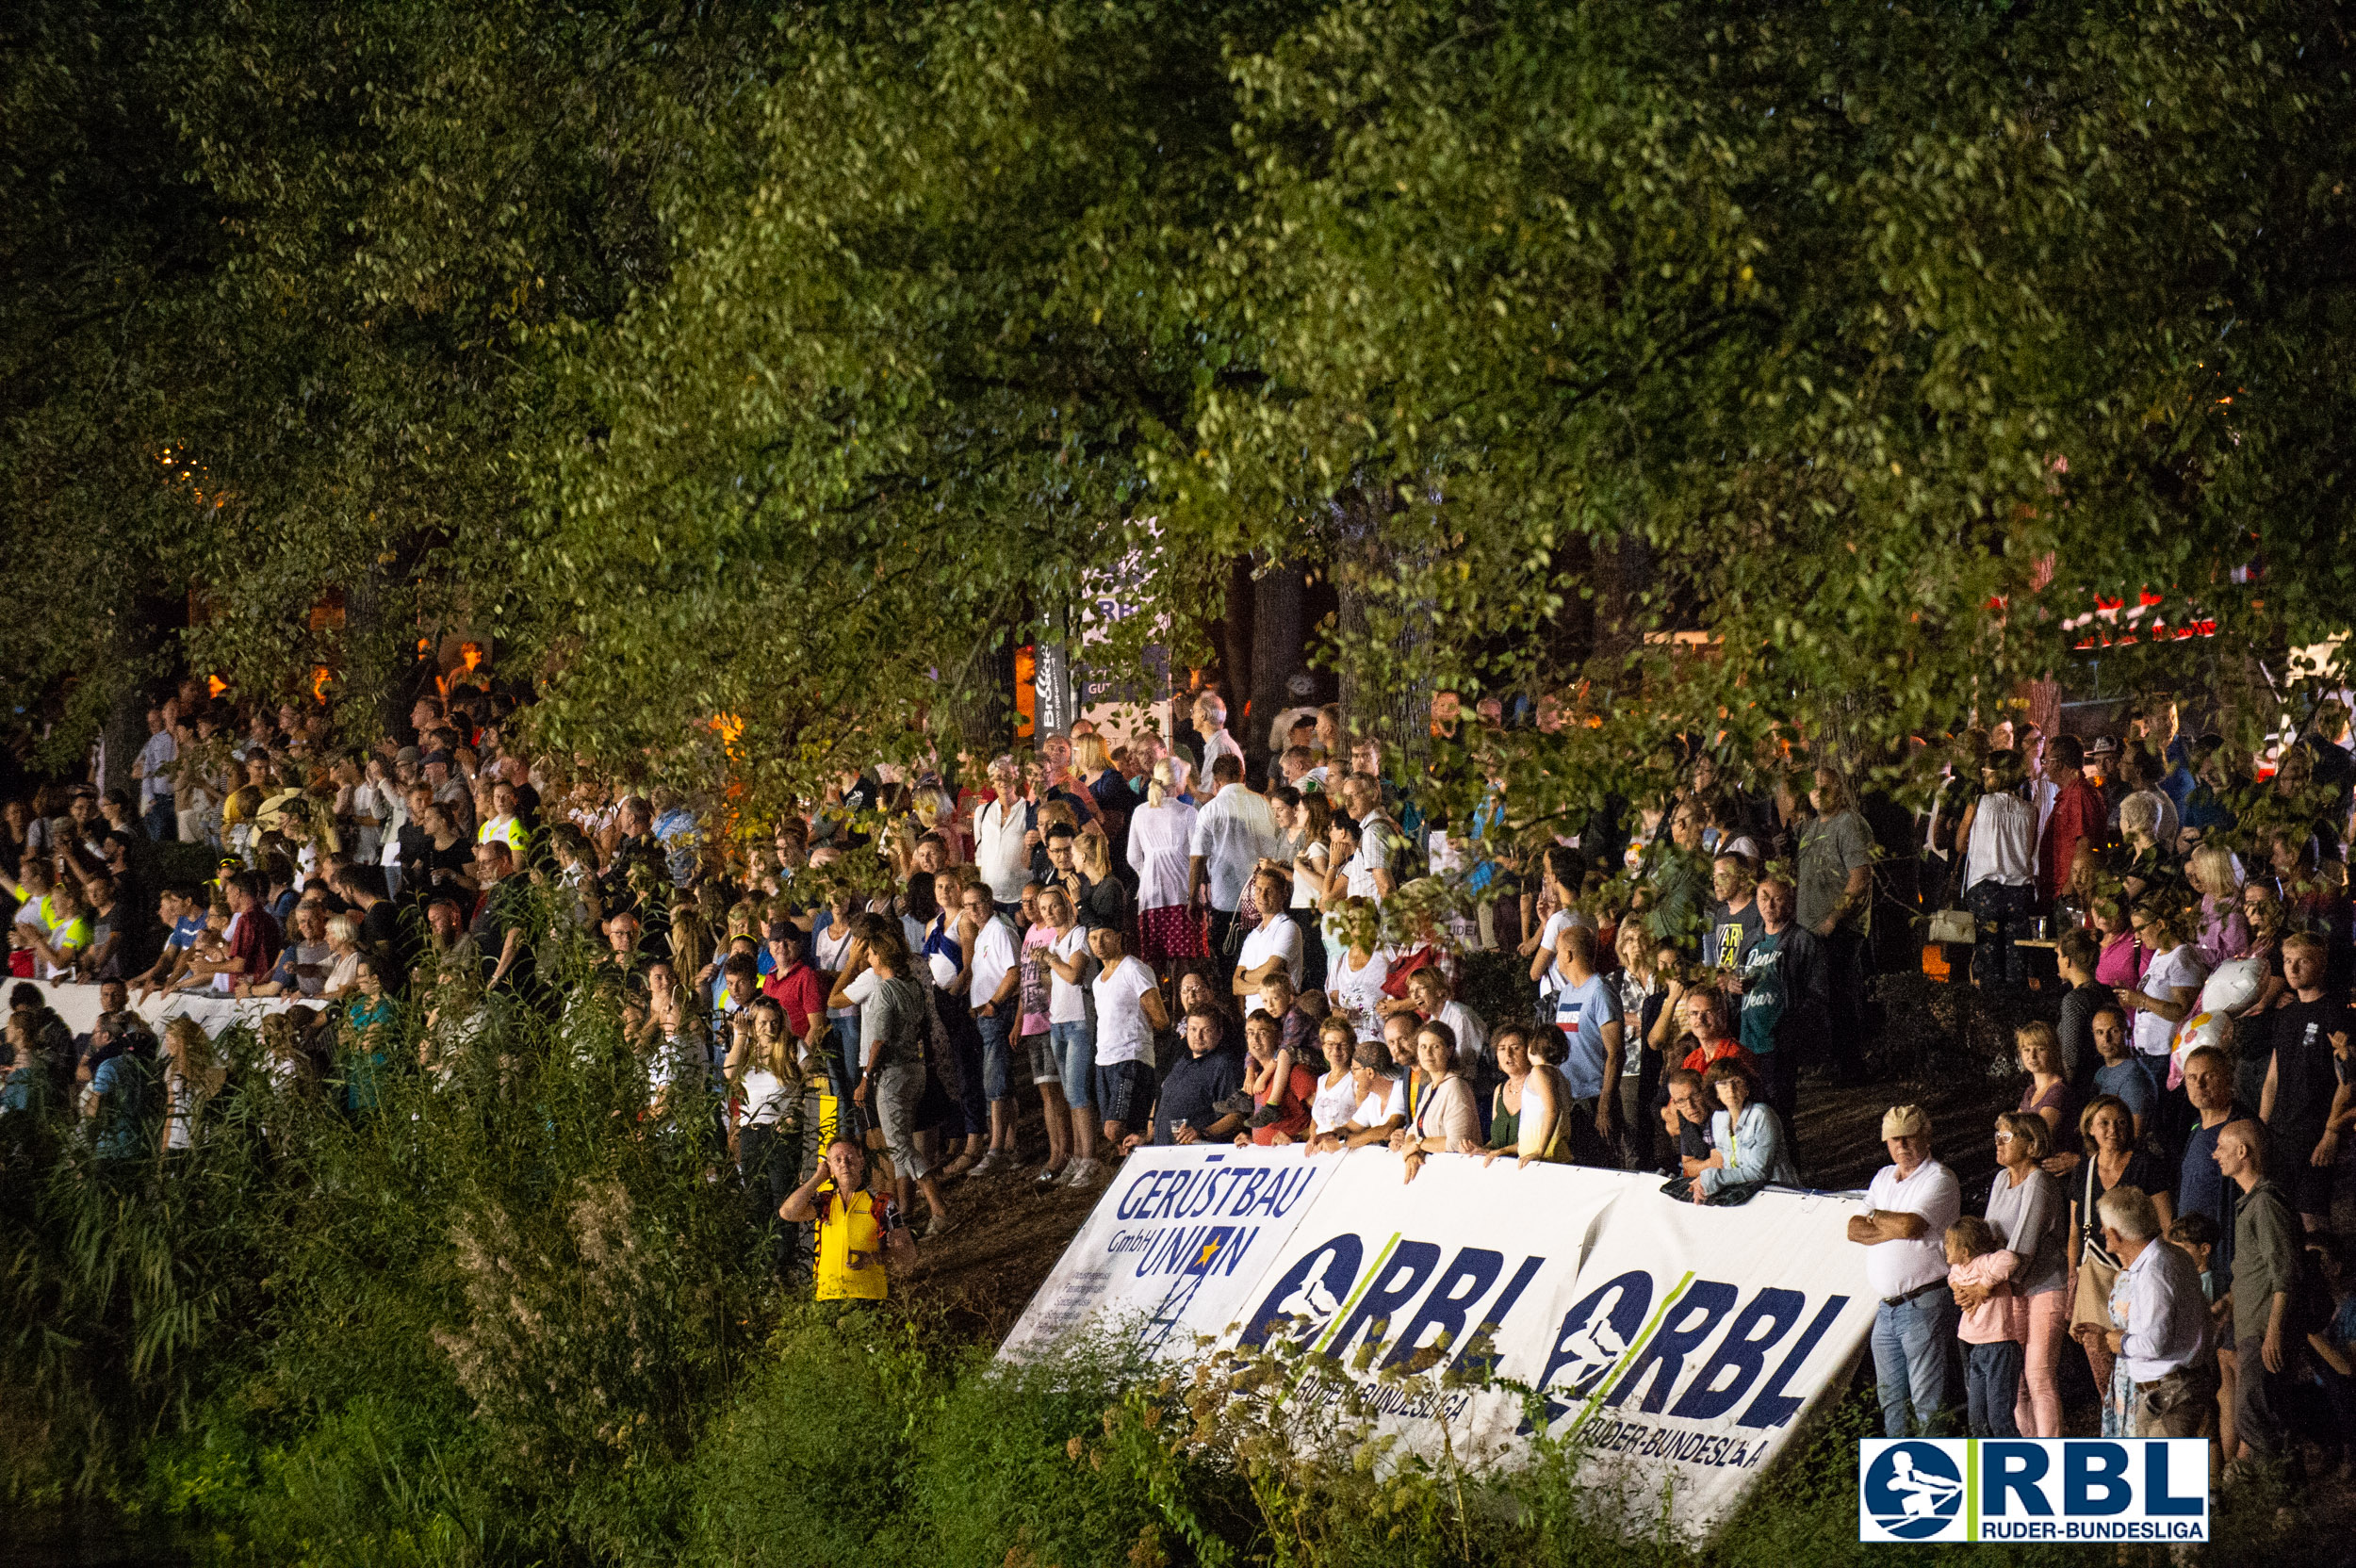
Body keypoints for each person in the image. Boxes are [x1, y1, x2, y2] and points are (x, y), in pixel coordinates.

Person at [832, 916, 958, 1237]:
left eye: (871, 954)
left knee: (900, 1146)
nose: (867, 959)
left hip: (890, 1075)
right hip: (914, 1068)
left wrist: (865, 1078)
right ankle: (906, 1212)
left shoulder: (885, 990)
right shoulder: (911, 984)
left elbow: (878, 1039)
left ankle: (939, 1208)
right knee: (901, 1143)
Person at [1851, 1103, 1962, 1437]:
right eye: (1893, 1139)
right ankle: (1899, 1475)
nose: (1901, 1146)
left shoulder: (1939, 1177)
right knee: (1891, 1401)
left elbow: (1913, 1225)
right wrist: (1890, 1223)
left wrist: (1875, 1218)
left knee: (1928, 1402)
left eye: (1908, 1137)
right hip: (1886, 1308)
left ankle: (1936, 1473)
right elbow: (1853, 1229)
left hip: (1924, 1301)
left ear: (1926, 1137)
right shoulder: (1884, 1176)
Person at [2215, 1119, 2303, 1465]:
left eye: (2222, 1147)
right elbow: (2254, 1272)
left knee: (2253, 1414)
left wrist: (2274, 1330)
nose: (2215, 1153)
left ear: (2242, 1151)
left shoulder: (2265, 1203)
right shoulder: (2250, 1204)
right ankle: (2282, 1497)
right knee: (2263, 1413)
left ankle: (2282, 1497)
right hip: (2253, 1326)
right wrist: (2226, 1305)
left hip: (2263, 1328)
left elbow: (2285, 1272)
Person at [2099, 1184, 2217, 1439]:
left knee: (2162, 1478)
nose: (2101, 1232)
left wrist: (2120, 1342)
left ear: (2116, 1234)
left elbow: (2154, 1344)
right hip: (2175, 1389)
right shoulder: (2172, 1256)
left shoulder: (2155, 1271)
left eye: (2104, 1227)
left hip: (2170, 1396)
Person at [1977, 1112, 2070, 1436]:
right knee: (2014, 1378)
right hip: (2008, 1288)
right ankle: (2029, 1450)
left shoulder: (2039, 1182)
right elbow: (1987, 1236)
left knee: (2038, 1372)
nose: (1998, 1143)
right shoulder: (2001, 1180)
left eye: (2007, 1137)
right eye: (1997, 1136)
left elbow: (2023, 1245)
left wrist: (1985, 1285)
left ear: (2031, 1145)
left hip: (2043, 1286)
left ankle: (2053, 1456)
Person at [2259, 932, 2353, 1230]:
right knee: (2281, 1219)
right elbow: (2273, 1075)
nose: (2293, 968)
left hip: (2314, 1134)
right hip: (2280, 1133)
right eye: (2288, 961)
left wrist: (2331, 1133)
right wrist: (2262, 1126)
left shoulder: (2337, 1013)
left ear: (2321, 966)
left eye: (2303, 961)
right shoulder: (2286, 1014)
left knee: (2313, 1222)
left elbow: (2349, 1079)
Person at [1730, 872, 1828, 1130]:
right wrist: (1732, 987)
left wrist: (1792, 1029)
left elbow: (1818, 993)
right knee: (1749, 1116)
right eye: (1764, 898)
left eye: (1776, 899)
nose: (1769, 905)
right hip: (1747, 1041)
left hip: (1778, 1044)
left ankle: (1788, 1169)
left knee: (1778, 1117)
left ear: (1789, 902)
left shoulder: (1802, 941)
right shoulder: (1751, 939)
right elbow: (1735, 982)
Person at [778, 1137, 915, 1304]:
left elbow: (907, 1254)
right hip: (828, 1297)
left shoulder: (881, 1202)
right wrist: (818, 1178)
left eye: (850, 1157)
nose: (844, 1163)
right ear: (830, 1166)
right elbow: (787, 1212)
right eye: (837, 1159)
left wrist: (872, 1258)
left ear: (861, 1162)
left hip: (868, 1297)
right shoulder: (825, 1201)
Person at [1954, 747, 2037, 988]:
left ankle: (1991, 1011)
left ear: (1996, 774)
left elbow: (1960, 843)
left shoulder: (1979, 803)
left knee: (1987, 957)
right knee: (2017, 962)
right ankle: (2015, 1011)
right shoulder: (2030, 810)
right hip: (2019, 892)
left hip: (1985, 890)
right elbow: (2029, 851)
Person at [1189, 754, 1282, 961]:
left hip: (1226, 899)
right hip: (1264, 897)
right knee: (1261, 959)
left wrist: (1193, 897)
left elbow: (1198, 857)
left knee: (1229, 960)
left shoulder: (1210, 810)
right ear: (1243, 776)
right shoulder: (1264, 803)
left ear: (1216, 782)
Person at [1088, 923, 1167, 1163]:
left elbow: (1160, 1018)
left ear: (1119, 937)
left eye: (1105, 935)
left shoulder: (1133, 969)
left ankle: (1150, 1151)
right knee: (1117, 1133)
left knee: (1115, 1128)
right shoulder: (1097, 981)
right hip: (1104, 1060)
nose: (1099, 943)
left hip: (1131, 1058)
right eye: (1093, 938)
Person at [1549, 923, 1624, 1160]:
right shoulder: (1567, 993)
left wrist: (1604, 1105)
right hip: (1570, 1099)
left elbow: (1616, 1053)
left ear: (1568, 954)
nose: (1556, 958)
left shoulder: (1599, 991)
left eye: (1557, 951)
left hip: (1594, 1098)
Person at [1946, 1216, 2024, 1438]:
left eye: (1949, 1244)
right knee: (1978, 1421)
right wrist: (1957, 1289)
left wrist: (1984, 1285)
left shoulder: (1986, 1262)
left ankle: (2017, 1464)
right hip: (1975, 1347)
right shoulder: (1959, 1269)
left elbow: (2010, 1259)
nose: (1945, 1248)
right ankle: (1981, 1469)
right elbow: (1952, 1277)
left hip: (1999, 1346)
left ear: (1966, 1250)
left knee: (1999, 1419)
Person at [1127, 1004, 1245, 1152]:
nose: (1198, 1036)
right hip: (1165, 1152)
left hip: (1196, 1155)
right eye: (1193, 1029)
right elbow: (1168, 1108)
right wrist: (1147, 1138)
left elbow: (1237, 1116)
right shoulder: (1182, 1060)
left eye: (1206, 1030)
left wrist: (1203, 1132)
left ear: (1220, 1033)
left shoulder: (1224, 1065)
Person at [1128, 759, 1203, 972]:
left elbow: (1132, 856)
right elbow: (1197, 856)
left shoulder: (1140, 812)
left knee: (1154, 961)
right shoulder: (1187, 812)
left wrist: (1147, 874)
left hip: (1151, 895)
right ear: (1177, 782)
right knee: (1185, 960)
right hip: (1182, 892)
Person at [1687, 1056, 1797, 1200]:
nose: (1730, 1090)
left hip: (1778, 1193)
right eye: (1723, 1084)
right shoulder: (1718, 1118)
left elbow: (1759, 1173)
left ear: (1747, 1089)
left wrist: (1711, 1178)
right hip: (1744, 1192)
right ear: (1715, 1092)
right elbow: (1729, 1167)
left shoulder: (1761, 1114)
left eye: (1737, 1082)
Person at [1392, 1019, 1481, 1183]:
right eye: (1423, 1047)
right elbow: (1413, 1131)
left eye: (1436, 1047)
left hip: (1460, 1175)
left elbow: (1456, 1143)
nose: (1428, 1053)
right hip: (1438, 1174)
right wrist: (1412, 1151)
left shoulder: (1456, 1086)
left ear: (1449, 1050)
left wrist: (1418, 1145)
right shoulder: (1429, 1088)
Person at [1232, 864, 1304, 1009]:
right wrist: (1261, 988)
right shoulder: (1252, 937)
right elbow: (1236, 986)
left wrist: (1244, 975)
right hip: (1253, 1018)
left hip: (1279, 1017)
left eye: (1269, 890)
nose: (1262, 895)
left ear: (1283, 895)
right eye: (1259, 889)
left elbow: (1269, 972)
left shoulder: (1287, 927)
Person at [2013, 1021, 2079, 1166]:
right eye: (2026, 1049)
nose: (2032, 1056)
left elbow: (2037, 1136)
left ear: (2053, 1051)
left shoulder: (2058, 1091)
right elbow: (2011, 1128)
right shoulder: (2031, 1091)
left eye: (2040, 1049)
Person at [2052, 927, 2110, 1091]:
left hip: (2083, 1088)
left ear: (2068, 961)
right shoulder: (2106, 992)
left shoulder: (2074, 1000)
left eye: (2058, 956)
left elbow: (2070, 1059)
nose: (2057, 961)